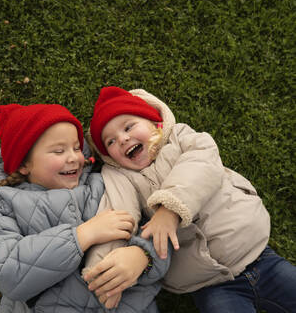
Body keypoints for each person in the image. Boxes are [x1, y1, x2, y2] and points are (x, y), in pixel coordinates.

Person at [84, 86, 296, 313]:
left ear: (155, 123)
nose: (123, 139)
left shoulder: (181, 137)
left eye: (129, 126)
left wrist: (169, 209)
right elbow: (116, 216)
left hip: (259, 256)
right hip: (208, 284)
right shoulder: (120, 176)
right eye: (110, 142)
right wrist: (103, 270)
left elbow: (201, 164)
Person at [0, 103, 170, 312]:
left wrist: (143, 257)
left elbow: (156, 228)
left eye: (77, 148)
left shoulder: (105, 183)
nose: (73, 157)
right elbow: (7, 271)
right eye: (59, 151)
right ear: (24, 164)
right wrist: (82, 236)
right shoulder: (0, 203)